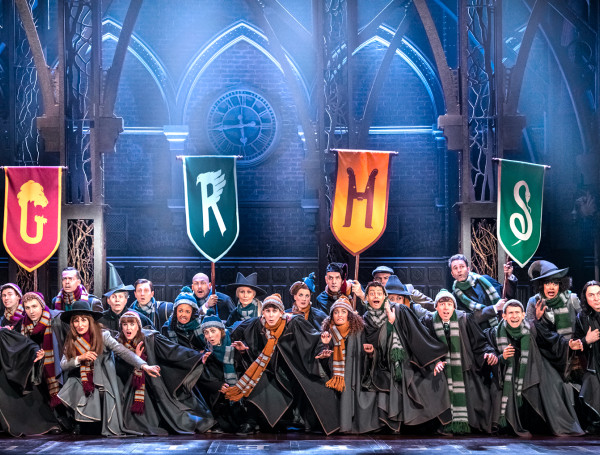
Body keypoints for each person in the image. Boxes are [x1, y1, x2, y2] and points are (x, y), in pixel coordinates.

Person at [226, 293, 339, 435]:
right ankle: (251, 421)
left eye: (274, 311)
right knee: (257, 380)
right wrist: (243, 351)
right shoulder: (257, 326)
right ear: (263, 313)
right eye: (267, 311)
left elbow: (313, 340)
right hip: (270, 370)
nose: (271, 315)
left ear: (281, 312)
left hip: (293, 370)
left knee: (316, 389)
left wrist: (323, 348)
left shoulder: (294, 323)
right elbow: (251, 350)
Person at [57, 300, 161, 436]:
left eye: (83, 320)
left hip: (102, 380)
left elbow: (122, 351)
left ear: (90, 321)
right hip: (83, 381)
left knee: (94, 427)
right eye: (76, 321)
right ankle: (78, 422)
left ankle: (89, 422)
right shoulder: (72, 339)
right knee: (73, 384)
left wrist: (143, 365)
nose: (80, 324)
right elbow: (63, 364)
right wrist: (80, 358)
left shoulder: (102, 335)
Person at [487, 299, 584, 436]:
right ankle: (504, 425)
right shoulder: (495, 333)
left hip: (531, 368)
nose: (514, 316)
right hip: (507, 372)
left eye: (517, 313)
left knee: (551, 383)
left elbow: (551, 339)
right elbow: (488, 350)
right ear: (504, 316)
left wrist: (568, 344)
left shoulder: (532, 328)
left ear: (523, 315)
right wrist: (501, 357)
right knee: (496, 388)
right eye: (510, 313)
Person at [361, 281, 449, 431]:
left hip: (407, 359)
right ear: (367, 298)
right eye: (372, 293)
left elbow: (417, 335)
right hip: (383, 364)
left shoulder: (400, 310)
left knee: (428, 382)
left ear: (384, 296)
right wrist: (372, 351)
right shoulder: (366, 318)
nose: (376, 296)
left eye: (379, 293)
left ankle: (423, 426)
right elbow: (374, 342)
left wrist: (434, 361)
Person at [115, 311, 214, 435]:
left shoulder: (150, 338)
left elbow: (173, 350)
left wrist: (197, 356)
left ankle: (198, 423)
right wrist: (136, 359)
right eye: (124, 324)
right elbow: (118, 369)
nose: (128, 328)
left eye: (132, 324)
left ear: (138, 326)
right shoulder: (118, 343)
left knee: (170, 408)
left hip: (154, 382)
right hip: (132, 385)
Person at [420, 290, 499, 434]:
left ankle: (466, 424)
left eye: (449, 304)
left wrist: (488, 353)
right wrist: (434, 362)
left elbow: (480, 343)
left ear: (454, 307)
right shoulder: (428, 321)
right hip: (438, 369)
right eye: (442, 304)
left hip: (463, 367)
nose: (446, 307)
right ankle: (444, 424)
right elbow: (423, 346)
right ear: (436, 307)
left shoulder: (465, 319)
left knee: (480, 393)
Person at [320, 297, 381, 434]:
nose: (339, 315)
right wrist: (325, 346)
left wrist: (371, 353)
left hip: (355, 376)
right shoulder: (328, 333)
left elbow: (366, 356)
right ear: (331, 315)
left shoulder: (358, 331)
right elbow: (323, 362)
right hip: (335, 379)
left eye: (343, 311)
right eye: (336, 312)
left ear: (349, 314)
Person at [0, 299, 61, 436]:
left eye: (34, 306)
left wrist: (37, 354)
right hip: (35, 363)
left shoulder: (55, 321)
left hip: (53, 363)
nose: (31, 311)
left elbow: (28, 345)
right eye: (27, 308)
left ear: (42, 306)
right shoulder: (21, 325)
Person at [197, 315, 247, 434]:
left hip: (241, 387)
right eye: (206, 332)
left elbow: (245, 367)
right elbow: (207, 376)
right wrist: (218, 385)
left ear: (221, 330)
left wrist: (243, 352)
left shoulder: (234, 343)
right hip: (223, 391)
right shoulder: (209, 351)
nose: (210, 336)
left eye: (213, 331)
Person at [448, 254, 515, 329]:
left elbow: (507, 296)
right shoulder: (455, 297)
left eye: (462, 266)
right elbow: (468, 319)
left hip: (500, 327)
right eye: (455, 268)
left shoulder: (485, 280)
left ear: (468, 269)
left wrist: (509, 276)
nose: (459, 270)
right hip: (479, 333)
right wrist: (495, 308)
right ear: (452, 274)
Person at [573, 280, 600, 434]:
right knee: (590, 381)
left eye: (599, 294)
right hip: (593, 364)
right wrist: (586, 340)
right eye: (591, 295)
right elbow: (577, 344)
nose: (596, 298)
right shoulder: (582, 317)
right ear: (586, 298)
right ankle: (596, 423)